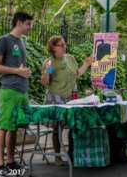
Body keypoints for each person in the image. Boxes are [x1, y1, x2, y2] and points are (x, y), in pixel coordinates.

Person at [0, 12, 33, 174]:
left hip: (22, 91)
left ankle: (11, 161)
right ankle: (0, 164)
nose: (30, 27)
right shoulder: (4, 40)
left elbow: (19, 69)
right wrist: (18, 71)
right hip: (9, 91)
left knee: (14, 127)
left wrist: (25, 73)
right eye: (28, 24)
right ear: (19, 23)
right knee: (3, 126)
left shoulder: (21, 42)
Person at [41, 35, 93, 166]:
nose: (65, 46)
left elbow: (77, 73)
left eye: (64, 44)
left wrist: (86, 64)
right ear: (53, 47)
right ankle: (58, 156)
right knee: (57, 128)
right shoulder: (50, 62)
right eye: (61, 45)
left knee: (73, 124)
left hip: (71, 98)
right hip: (56, 97)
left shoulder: (70, 58)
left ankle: (71, 153)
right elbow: (45, 82)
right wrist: (47, 72)